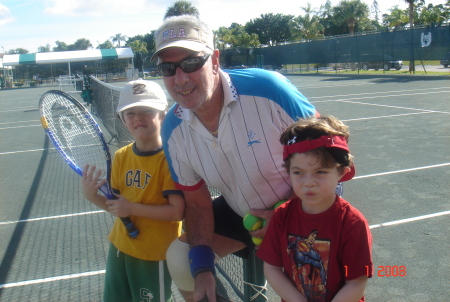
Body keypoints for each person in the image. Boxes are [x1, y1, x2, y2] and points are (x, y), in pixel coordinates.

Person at [153, 15, 318, 302]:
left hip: (307, 203)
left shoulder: (269, 89)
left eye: (192, 63)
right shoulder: (172, 131)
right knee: (182, 259)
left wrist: (290, 211)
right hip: (243, 213)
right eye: (169, 68)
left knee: (306, 290)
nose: (180, 78)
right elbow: (196, 202)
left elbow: (330, 150)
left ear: (214, 60)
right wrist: (203, 266)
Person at [82, 79, 185, 302]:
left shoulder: (171, 159)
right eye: (130, 113)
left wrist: (131, 208)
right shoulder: (121, 156)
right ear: (122, 119)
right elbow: (117, 207)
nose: (138, 118)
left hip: (153, 253)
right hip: (119, 247)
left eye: (147, 110)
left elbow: (177, 212)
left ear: (162, 114)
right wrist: (92, 196)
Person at [256, 116, 373, 302]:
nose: (308, 182)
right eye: (298, 173)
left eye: (320, 172)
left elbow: (356, 282)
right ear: (288, 172)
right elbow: (271, 268)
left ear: (341, 172)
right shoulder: (281, 216)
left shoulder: (352, 223)